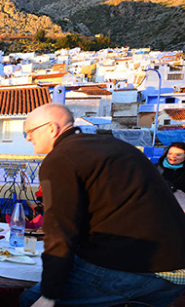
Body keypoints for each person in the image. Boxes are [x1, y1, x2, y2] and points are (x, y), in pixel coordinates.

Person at [20, 103, 185, 307]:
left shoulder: (60, 158)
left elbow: (60, 230)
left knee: (30, 300)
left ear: (52, 128)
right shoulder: (112, 145)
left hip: (140, 266)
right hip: (176, 268)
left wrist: (49, 294)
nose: (27, 138)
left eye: (29, 131)